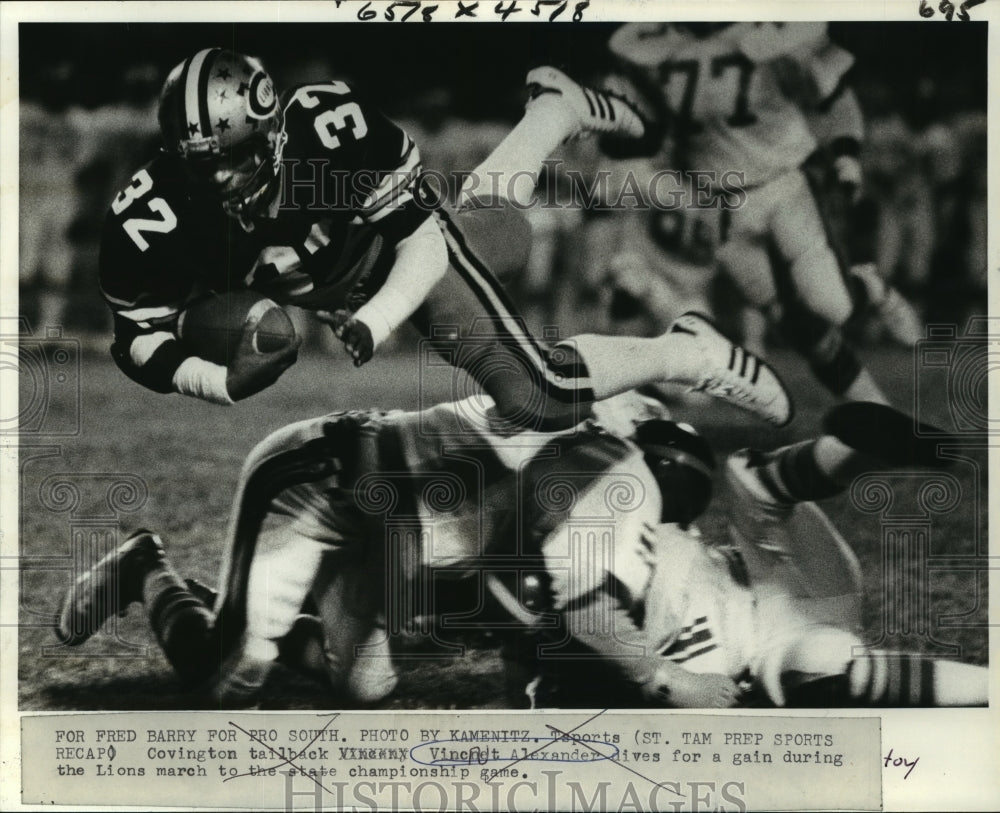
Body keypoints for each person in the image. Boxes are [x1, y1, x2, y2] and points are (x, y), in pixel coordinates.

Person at [99, 48, 792, 430]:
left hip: (407, 255)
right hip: (376, 269)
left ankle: (687, 349)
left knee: (535, 394)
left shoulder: (321, 138)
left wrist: (374, 321)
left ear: (272, 132)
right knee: (507, 233)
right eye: (201, 165)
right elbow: (136, 335)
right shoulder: (158, 211)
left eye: (235, 158)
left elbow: (424, 242)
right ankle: (558, 109)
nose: (220, 181)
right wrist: (214, 380)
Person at [53, 387, 685, 706]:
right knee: (227, 675)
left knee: (367, 684)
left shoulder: (580, 433)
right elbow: (388, 490)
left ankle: (233, 611)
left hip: (383, 513)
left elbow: (525, 576)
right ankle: (145, 565)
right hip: (320, 479)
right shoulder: (584, 458)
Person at [517, 401, 987, 709]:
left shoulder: (630, 528)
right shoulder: (580, 562)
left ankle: (859, 452)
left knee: (748, 475)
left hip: (779, 585)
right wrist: (665, 683)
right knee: (829, 661)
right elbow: (576, 642)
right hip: (767, 650)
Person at [603, 22, 922, 404]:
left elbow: (835, 99)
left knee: (832, 308)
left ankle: (869, 287)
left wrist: (846, 155)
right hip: (719, 205)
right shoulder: (651, 46)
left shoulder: (775, 35)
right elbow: (644, 127)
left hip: (783, 185)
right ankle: (876, 410)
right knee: (793, 324)